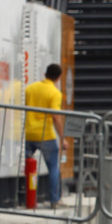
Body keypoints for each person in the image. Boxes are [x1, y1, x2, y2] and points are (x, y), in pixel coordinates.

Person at [24, 64, 65, 208]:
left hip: (29, 133)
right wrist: (62, 137)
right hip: (46, 135)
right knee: (53, 167)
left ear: (45, 73)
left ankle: (27, 199)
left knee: (28, 167)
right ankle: (54, 200)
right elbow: (56, 117)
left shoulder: (30, 89)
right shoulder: (54, 93)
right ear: (58, 78)